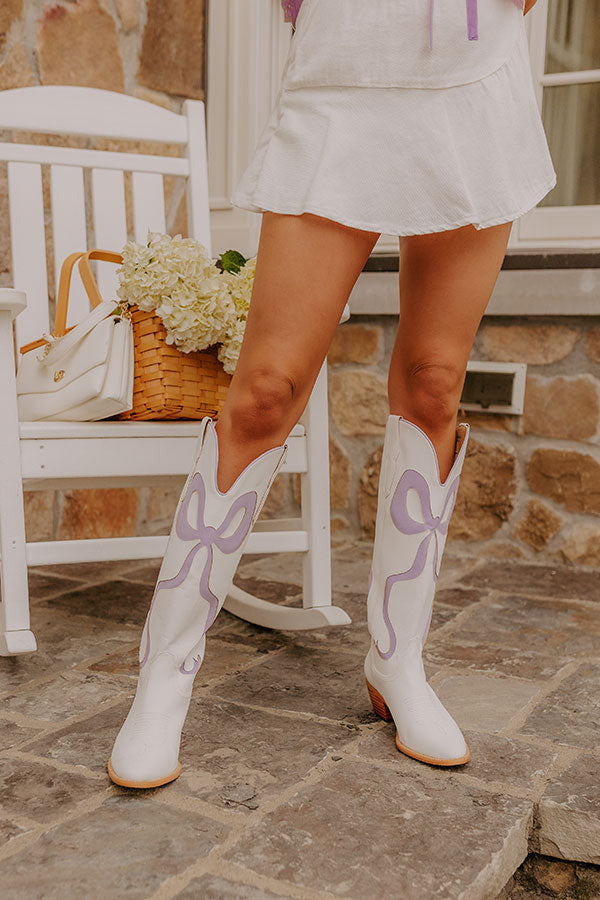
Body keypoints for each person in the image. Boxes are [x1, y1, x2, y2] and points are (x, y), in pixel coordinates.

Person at [107, 0, 555, 787]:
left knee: (435, 383)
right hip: (345, 65)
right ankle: (164, 674)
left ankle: (397, 661)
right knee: (266, 391)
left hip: (472, 79)